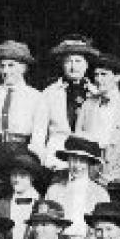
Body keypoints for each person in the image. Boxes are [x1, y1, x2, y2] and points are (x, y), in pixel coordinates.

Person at [0, 40, 47, 170]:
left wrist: (33, 161)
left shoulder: (36, 97)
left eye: (11, 65)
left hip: (22, 153)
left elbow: (39, 136)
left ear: (23, 68)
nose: (5, 71)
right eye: (2, 66)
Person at [76, 52, 120, 183]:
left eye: (104, 74)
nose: (98, 79)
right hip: (89, 175)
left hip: (117, 176)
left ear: (117, 77)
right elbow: (78, 141)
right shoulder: (87, 105)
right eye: (96, 75)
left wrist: (114, 173)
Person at [43, 35, 99, 170]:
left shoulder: (96, 93)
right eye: (69, 62)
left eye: (78, 61)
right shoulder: (49, 93)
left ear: (87, 64)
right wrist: (44, 158)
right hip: (56, 157)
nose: (73, 67)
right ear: (62, 64)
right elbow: (40, 132)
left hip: (87, 158)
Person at [45, 135, 109, 239]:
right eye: (73, 159)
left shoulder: (100, 194)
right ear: (67, 160)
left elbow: (104, 226)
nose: (77, 165)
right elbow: (47, 224)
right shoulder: (54, 191)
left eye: (82, 161)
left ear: (89, 163)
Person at [0, 149, 45, 239]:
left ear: (32, 177)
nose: (17, 180)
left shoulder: (43, 204)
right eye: (14, 175)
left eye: (22, 175)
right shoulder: (1, 204)